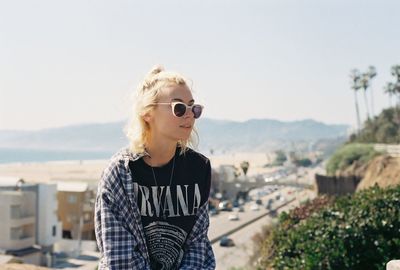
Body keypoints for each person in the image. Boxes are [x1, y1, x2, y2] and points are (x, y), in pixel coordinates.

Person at [95, 65, 216, 269]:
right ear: (147, 113)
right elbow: (120, 260)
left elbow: (197, 246)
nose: (189, 115)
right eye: (179, 107)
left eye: (194, 108)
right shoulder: (120, 173)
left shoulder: (199, 168)